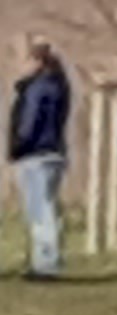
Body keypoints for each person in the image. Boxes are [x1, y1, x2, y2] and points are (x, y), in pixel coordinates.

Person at [9, 43, 67, 280]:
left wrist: (19, 146)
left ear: (37, 62)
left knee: (40, 210)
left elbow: (29, 122)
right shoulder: (57, 85)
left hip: (36, 154)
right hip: (51, 152)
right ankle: (43, 259)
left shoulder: (39, 88)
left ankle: (45, 263)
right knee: (46, 207)